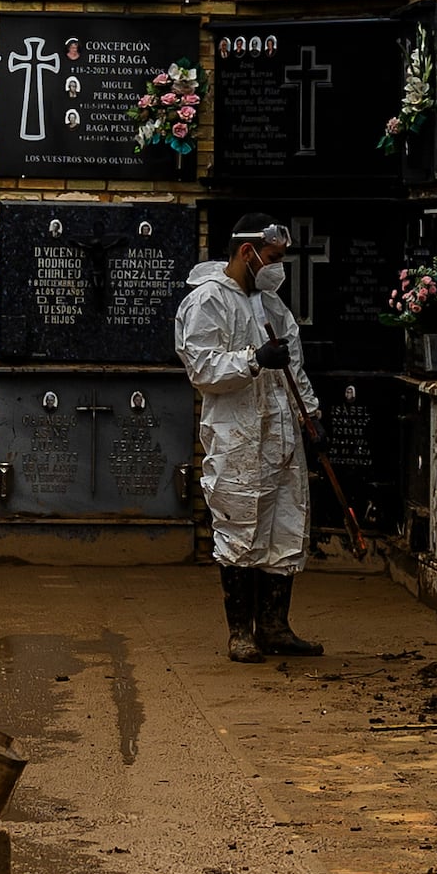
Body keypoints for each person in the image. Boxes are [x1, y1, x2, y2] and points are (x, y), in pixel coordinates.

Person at [173, 220, 324, 663]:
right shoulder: (206, 302)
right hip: (237, 436)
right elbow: (203, 369)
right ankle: (240, 632)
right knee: (240, 526)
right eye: (272, 258)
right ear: (247, 252)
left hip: (281, 434)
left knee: (285, 525)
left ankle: (275, 627)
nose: (277, 268)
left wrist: (310, 415)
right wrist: (253, 359)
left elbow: (293, 365)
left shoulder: (272, 306)